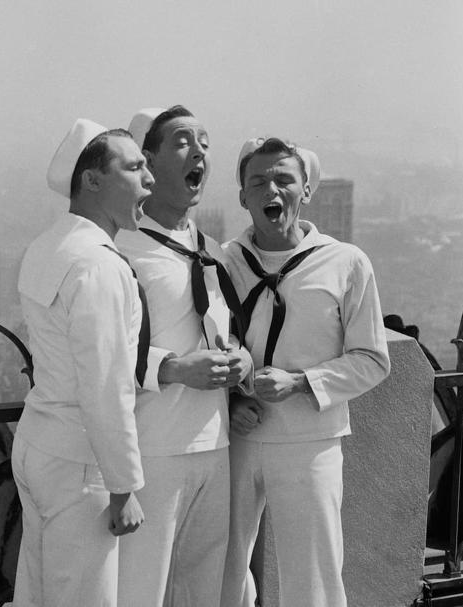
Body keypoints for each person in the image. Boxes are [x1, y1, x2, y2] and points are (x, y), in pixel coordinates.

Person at [220, 137, 391, 607]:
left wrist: (300, 383)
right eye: (258, 181)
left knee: (313, 574)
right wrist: (232, 400)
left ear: (307, 190)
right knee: (220, 567)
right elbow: (208, 341)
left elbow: (373, 359)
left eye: (283, 179)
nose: (271, 190)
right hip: (235, 439)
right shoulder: (222, 261)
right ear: (243, 197)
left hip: (310, 441)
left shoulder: (346, 262)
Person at [112, 106, 252, 607]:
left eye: (205, 143)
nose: (199, 152)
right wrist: (172, 369)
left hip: (214, 444)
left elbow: (226, 330)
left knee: (204, 589)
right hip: (153, 447)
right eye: (182, 141)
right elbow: (105, 351)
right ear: (147, 161)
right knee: (140, 590)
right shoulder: (122, 251)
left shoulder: (211, 251)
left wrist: (241, 362)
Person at [12, 118, 154, 607]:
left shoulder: (48, 245)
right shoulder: (98, 264)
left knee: (38, 592)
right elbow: (106, 385)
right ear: (92, 180)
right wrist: (124, 487)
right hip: (80, 461)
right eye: (133, 168)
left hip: (39, 444)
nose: (149, 179)